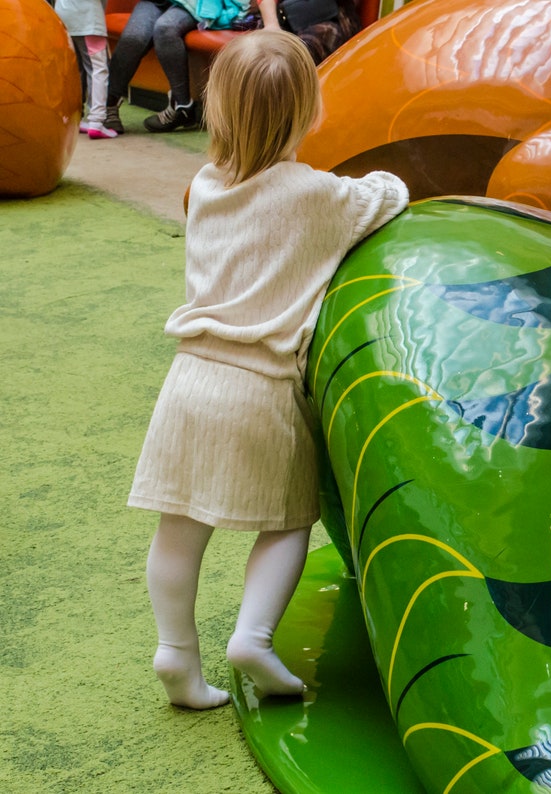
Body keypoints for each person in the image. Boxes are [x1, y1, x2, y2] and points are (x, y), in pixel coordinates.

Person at [127, 28, 409, 709]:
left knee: (178, 527)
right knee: (286, 521)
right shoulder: (318, 196)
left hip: (189, 381)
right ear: (311, 115)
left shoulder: (204, 184)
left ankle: (175, 652)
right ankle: (252, 636)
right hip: (262, 388)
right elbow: (391, 194)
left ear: (217, 111)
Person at [104, 0, 248, 135]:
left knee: (165, 29)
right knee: (133, 38)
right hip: (155, 2)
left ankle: (182, 106)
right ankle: (109, 104)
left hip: (192, 3)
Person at [54, 0, 118, 139]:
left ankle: (73, 118)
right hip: (89, 18)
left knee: (74, 69)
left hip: (63, 16)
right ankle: (96, 121)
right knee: (98, 68)